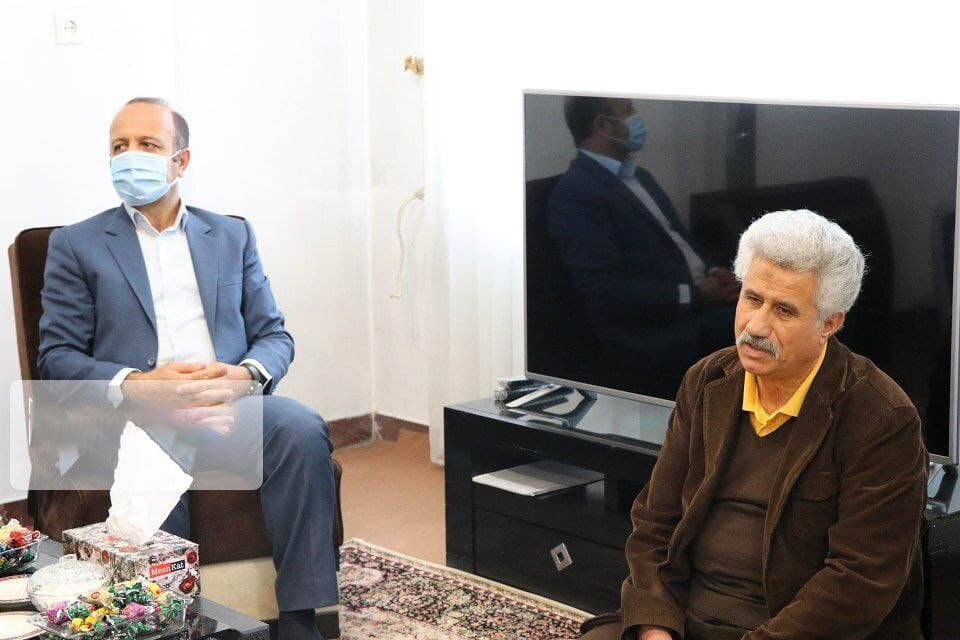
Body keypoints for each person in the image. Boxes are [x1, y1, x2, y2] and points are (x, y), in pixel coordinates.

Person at [37, 97, 336, 640]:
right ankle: (172, 622)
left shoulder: (231, 235)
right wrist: (140, 387)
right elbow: (57, 358)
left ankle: (300, 618)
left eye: (148, 144)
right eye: (119, 146)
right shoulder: (77, 245)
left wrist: (243, 377)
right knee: (153, 454)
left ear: (182, 160)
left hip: (228, 409)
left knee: (299, 427)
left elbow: (274, 336)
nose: (130, 156)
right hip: (139, 417)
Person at [580, 209, 927, 640]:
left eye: (784, 311)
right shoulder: (707, 381)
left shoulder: (882, 417)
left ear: (830, 322)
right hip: (690, 615)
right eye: (752, 299)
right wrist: (657, 629)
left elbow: (860, 580)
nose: (756, 326)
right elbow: (654, 523)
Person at [547, 96, 738, 398]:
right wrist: (697, 295)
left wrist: (714, 271)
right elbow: (603, 289)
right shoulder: (576, 193)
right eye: (628, 111)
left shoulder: (640, 176)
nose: (637, 117)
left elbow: (679, 239)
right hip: (660, 330)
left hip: (699, 301)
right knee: (770, 332)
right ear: (602, 125)